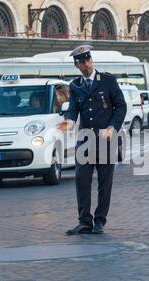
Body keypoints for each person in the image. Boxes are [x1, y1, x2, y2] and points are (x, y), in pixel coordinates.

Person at [57, 45, 127, 235]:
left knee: (105, 183)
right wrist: (69, 122)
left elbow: (121, 107)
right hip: (85, 140)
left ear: (91, 60)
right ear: (76, 65)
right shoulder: (75, 86)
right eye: (81, 62)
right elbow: (73, 109)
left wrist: (112, 128)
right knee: (81, 180)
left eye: (87, 60)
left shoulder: (108, 81)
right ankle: (84, 221)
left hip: (105, 139)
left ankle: (100, 221)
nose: (86, 64)